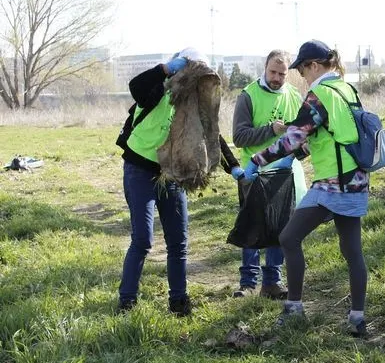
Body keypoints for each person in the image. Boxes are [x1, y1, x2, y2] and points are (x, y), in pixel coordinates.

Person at [242, 40, 370, 336]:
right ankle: (357, 319)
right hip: (356, 180)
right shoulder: (346, 89)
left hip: (332, 184)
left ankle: (294, 309)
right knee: (352, 251)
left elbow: (292, 138)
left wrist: (258, 160)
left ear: (314, 65)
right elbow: (330, 135)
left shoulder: (320, 94)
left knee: (289, 237)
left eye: (302, 70)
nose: (302, 77)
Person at [117, 48, 241, 316]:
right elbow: (135, 87)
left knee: (178, 241)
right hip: (140, 168)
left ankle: (179, 302)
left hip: (173, 173)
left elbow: (212, 136)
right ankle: (126, 302)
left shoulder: (195, 104)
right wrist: (164, 68)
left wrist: (235, 168)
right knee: (142, 239)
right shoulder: (158, 89)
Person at [231, 49, 306, 300]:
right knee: (252, 227)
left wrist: (297, 153)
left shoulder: (295, 96)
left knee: (280, 228)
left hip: (285, 173)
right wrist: (270, 130)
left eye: (282, 74)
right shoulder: (248, 95)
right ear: (265, 68)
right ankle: (248, 283)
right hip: (254, 173)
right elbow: (239, 137)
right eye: (273, 72)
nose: (277, 78)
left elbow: (304, 137)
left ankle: (272, 281)